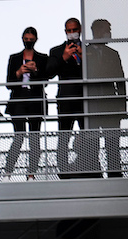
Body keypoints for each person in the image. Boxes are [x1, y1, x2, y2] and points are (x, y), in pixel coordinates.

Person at [84, 19, 127, 179]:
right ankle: (95, 173)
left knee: (113, 142)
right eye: (107, 29)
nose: (109, 32)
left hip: (110, 105)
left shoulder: (113, 54)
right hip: (92, 105)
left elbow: (121, 82)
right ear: (97, 31)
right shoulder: (85, 52)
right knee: (92, 142)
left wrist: (122, 107)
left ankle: (114, 173)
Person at [5, 27, 50, 179]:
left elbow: (46, 81)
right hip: (18, 98)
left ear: (36, 39)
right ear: (22, 38)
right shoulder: (14, 58)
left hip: (35, 98)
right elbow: (8, 83)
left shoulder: (43, 58)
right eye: (26, 39)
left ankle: (31, 175)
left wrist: (35, 70)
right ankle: (8, 173)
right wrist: (19, 72)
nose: (28, 41)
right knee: (19, 136)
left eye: (31, 39)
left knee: (34, 138)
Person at [47, 18, 85, 177]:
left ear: (80, 30)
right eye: (69, 31)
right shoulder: (56, 51)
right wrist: (64, 57)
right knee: (64, 136)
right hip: (66, 99)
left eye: (74, 30)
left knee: (88, 135)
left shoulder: (88, 49)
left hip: (85, 100)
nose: (72, 33)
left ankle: (89, 167)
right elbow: (49, 73)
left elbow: (97, 70)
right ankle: (63, 171)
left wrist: (84, 57)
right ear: (65, 32)